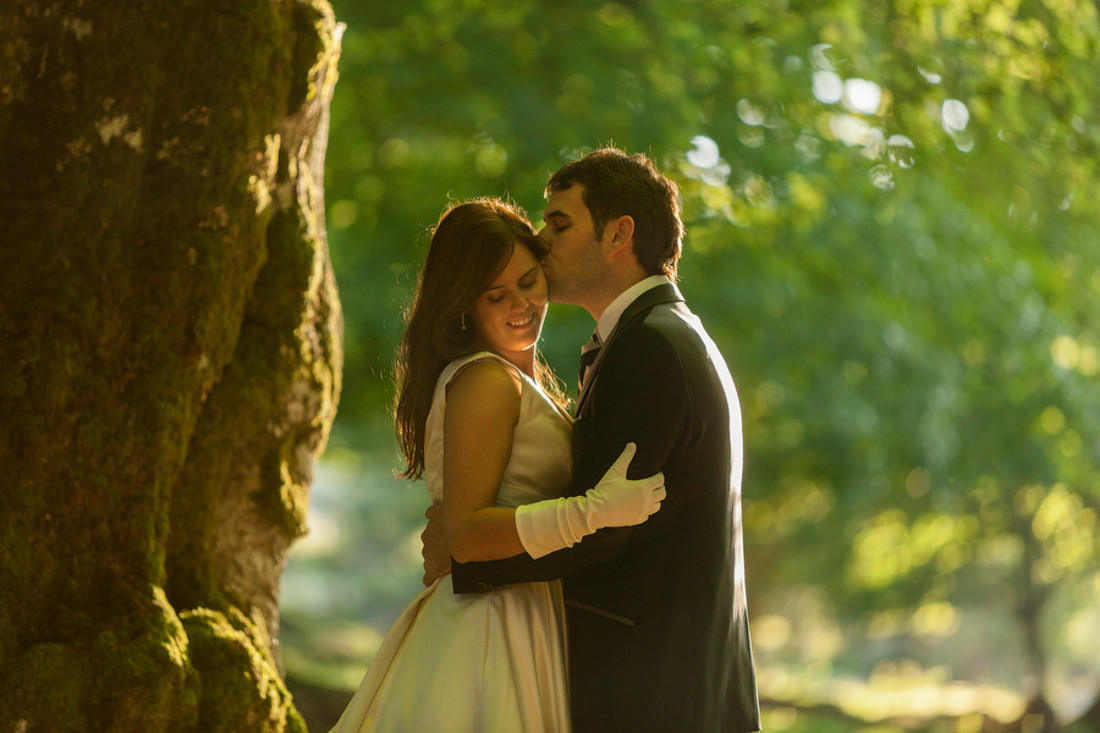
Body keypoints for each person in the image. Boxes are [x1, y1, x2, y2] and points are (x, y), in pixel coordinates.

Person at [423, 149, 761, 732]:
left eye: (560, 223)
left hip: (654, 689)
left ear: (619, 234)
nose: (543, 239)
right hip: (661, 682)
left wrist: (466, 560)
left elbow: (605, 533)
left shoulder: (651, 346)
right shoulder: (656, 335)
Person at [329, 197, 666, 733]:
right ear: (465, 305)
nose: (521, 305)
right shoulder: (485, 381)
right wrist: (593, 512)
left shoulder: (517, 380)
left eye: (530, 282)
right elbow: (465, 536)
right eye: (495, 295)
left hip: (525, 614)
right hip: (486, 627)